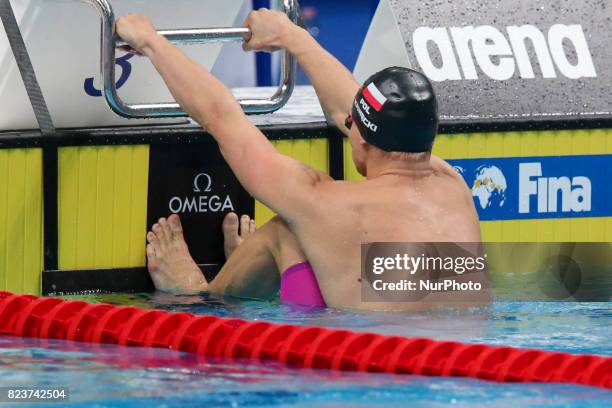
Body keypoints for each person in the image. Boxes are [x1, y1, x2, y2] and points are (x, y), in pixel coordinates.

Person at [116, 8, 483, 310]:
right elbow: (350, 110)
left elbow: (221, 117)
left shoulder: (323, 205)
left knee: (286, 231)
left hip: (362, 369)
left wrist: (150, 41)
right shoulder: (453, 186)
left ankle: (195, 294)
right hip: (467, 366)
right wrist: (292, 36)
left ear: (362, 138)